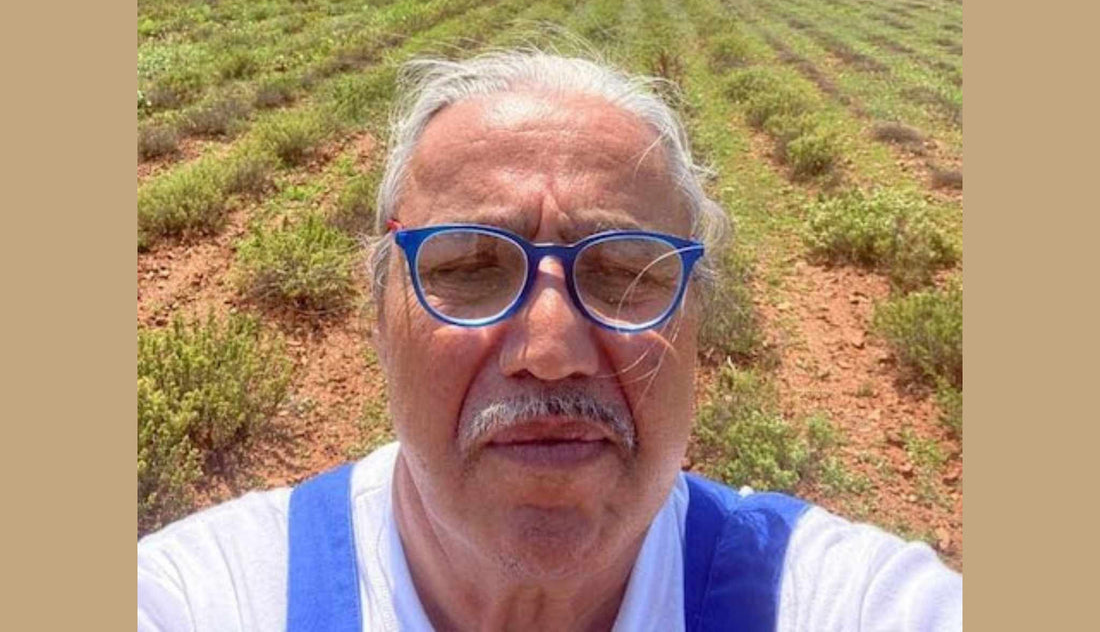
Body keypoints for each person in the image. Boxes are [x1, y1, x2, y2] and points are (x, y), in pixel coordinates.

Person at [138, 50, 962, 631]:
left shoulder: (842, 603)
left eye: (625, 273)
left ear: (699, 324)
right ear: (379, 315)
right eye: (469, 266)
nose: (551, 346)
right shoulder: (213, 599)